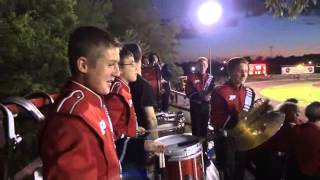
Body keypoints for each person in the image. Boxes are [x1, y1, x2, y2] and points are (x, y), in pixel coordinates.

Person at [40, 26, 122, 179]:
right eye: (111, 64)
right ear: (83, 65)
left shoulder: (92, 102)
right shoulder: (72, 119)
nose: (117, 72)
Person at [104, 47, 164, 179]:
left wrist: (135, 128)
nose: (136, 68)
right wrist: (146, 144)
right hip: (125, 159)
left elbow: (122, 121)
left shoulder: (125, 88)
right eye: (131, 64)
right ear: (119, 69)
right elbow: (111, 134)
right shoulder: (117, 93)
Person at [211, 57, 255, 180]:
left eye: (246, 71)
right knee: (228, 172)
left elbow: (248, 116)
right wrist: (237, 116)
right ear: (230, 72)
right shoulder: (219, 92)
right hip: (225, 141)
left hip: (242, 139)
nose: (244, 74)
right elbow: (217, 121)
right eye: (240, 70)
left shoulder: (249, 92)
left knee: (240, 170)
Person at [185, 57, 215, 167]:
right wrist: (201, 97)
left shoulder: (211, 77)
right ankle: (196, 153)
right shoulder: (191, 77)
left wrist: (209, 97)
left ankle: (204, 153)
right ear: (197, 66)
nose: (202, 66)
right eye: (200, 65)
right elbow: (188, 92)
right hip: (196, 107)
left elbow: (213, 90)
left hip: (206, 107)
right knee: (196, 130)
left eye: (204, 64)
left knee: (204, 130)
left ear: (207, 66)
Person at [125, 44, 158, 139]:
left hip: (125, 138)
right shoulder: (144, 86)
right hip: (141, 139)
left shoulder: (119, 83)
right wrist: (156, 142)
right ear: (140, 58)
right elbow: (151, 119)